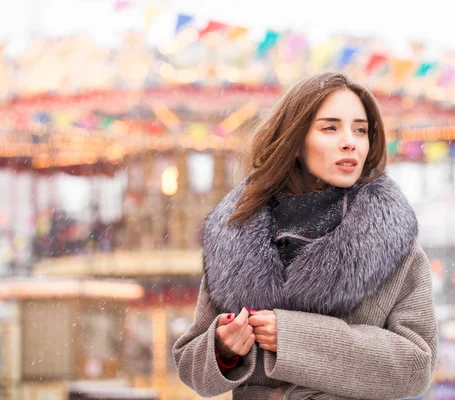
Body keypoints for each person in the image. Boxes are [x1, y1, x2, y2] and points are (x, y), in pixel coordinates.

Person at [173, 72, 438, 400]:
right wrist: (223, 348)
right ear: (295, 140)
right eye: (330, 127)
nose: (349, 141)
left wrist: (295, 338)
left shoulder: (394, 244)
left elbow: (416, 367)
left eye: (360, 130)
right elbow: (189, 362)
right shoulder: (234, 236)